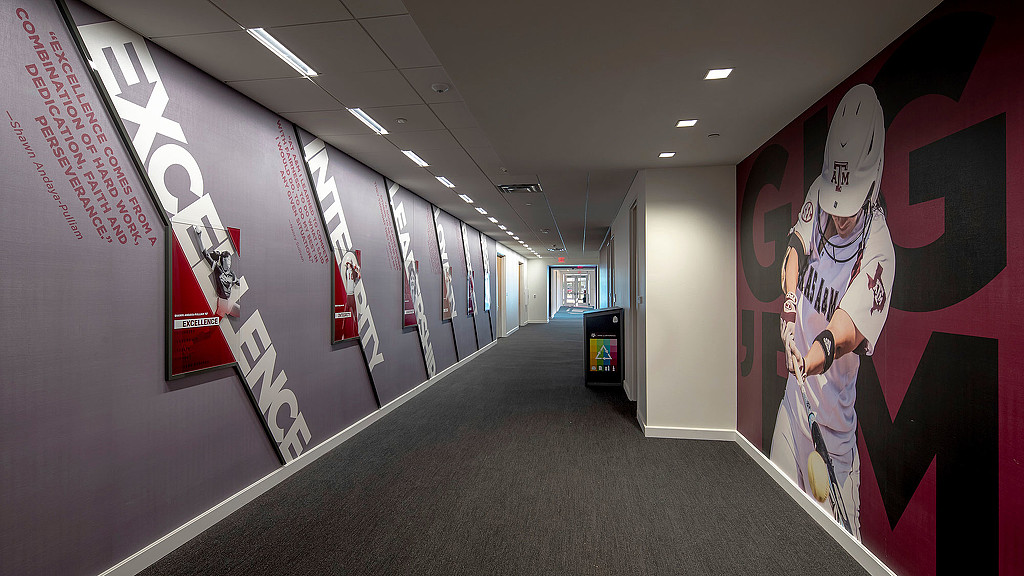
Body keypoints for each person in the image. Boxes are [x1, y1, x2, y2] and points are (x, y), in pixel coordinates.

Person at [770, 83, 895, 540]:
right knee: (772, 519)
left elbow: (844, 333)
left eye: (849, 208)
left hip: (833, 436)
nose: (839, 218)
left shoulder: (879, 252)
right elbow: (794, 252)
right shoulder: (823, 195)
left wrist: (807, 359)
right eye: (835, 206)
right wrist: (789, 312)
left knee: (836, 551)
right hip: (794, 406)